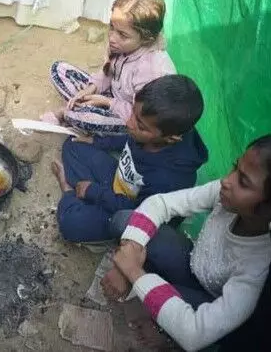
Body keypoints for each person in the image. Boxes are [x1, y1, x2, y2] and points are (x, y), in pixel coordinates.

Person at [103, 135, 271, 351]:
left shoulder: (258, 265)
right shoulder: (223, 193)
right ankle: (154, 287)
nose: (227, 180)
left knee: (162, 311)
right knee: (124, 220)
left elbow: (194, 333)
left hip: (207, 300)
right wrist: (128, 254)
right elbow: (160, 203)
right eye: (235, 167)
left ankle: (166, 333)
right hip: (192, 263)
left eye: (244, 182)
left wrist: (133, 272)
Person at [51, 74, 207, 242]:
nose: (129, 123)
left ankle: (68, 191)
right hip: (120, 181)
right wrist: (97, 141)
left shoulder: (169, 180)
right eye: (133, 112)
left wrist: (94, 192)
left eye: (140, 125)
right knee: (73, 145)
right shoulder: (153, 130)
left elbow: (138, 212)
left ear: (170, 139)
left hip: (132, 213)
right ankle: (82, 197)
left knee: (71, 223)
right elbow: (129, 139)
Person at [43, 0, 175, 135]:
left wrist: (107, 103)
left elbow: (143, 117)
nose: (112, 38)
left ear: (146, 39)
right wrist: (90, 89)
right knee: (59, 70)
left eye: (122, 35)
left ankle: (67, 114)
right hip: (111, 96)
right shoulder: (120, 44)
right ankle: (81, 114)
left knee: (86, 118)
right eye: (112, 26)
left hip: (131, 116)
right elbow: (107, 72)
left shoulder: (152, 70)